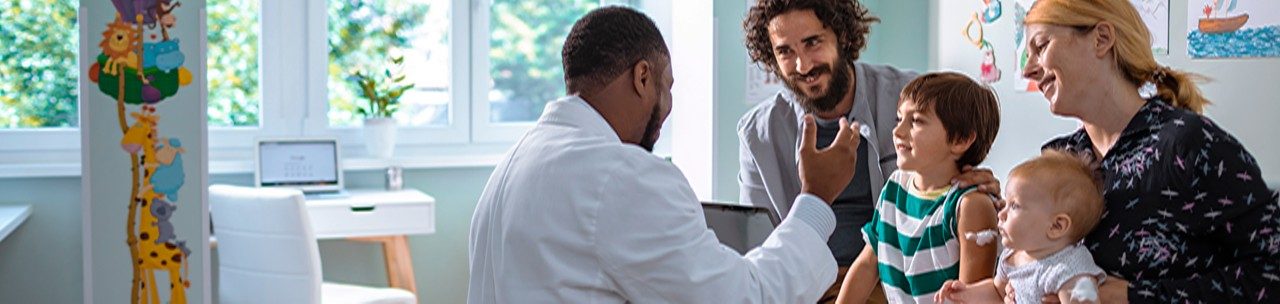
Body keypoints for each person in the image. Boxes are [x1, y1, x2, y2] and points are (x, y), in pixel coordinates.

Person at [468, 6, 863, 303]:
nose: (668, 105)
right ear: (643, 78)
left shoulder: (515, 164)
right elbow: (747, 297)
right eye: (667, 86)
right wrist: (815, 198)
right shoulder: (623, 175)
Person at [740, 1, 1003, 301]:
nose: (803, 65)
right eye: (785, 51)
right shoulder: (757, 135)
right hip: (805, 286)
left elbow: (957, 168)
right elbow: (757, 242)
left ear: (843, 37)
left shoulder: (911, 97)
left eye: (812, 43)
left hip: (888, 284)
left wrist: (978, 185)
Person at [1020, 0, 1280, 302]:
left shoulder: (1189, 146)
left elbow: (1271, 271)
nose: (1028, 70)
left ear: (1101, 38)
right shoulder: (1058, 157)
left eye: (1040, 47)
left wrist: (1135, 296)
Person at [834, 72, 1001, 304]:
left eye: (917, 121)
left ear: (960, 140)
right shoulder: (894, 188)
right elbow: (867, 265)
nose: (897, 131)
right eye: (899, 119)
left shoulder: (971, 206)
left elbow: (971, 296)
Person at [935, 150, 1108, 304]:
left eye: (1015, 206)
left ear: (1056, 226)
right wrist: (965, 293)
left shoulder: (1069, 268)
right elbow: (996, 291)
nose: (1001, 213)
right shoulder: (1013, 256)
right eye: (1006, 203)